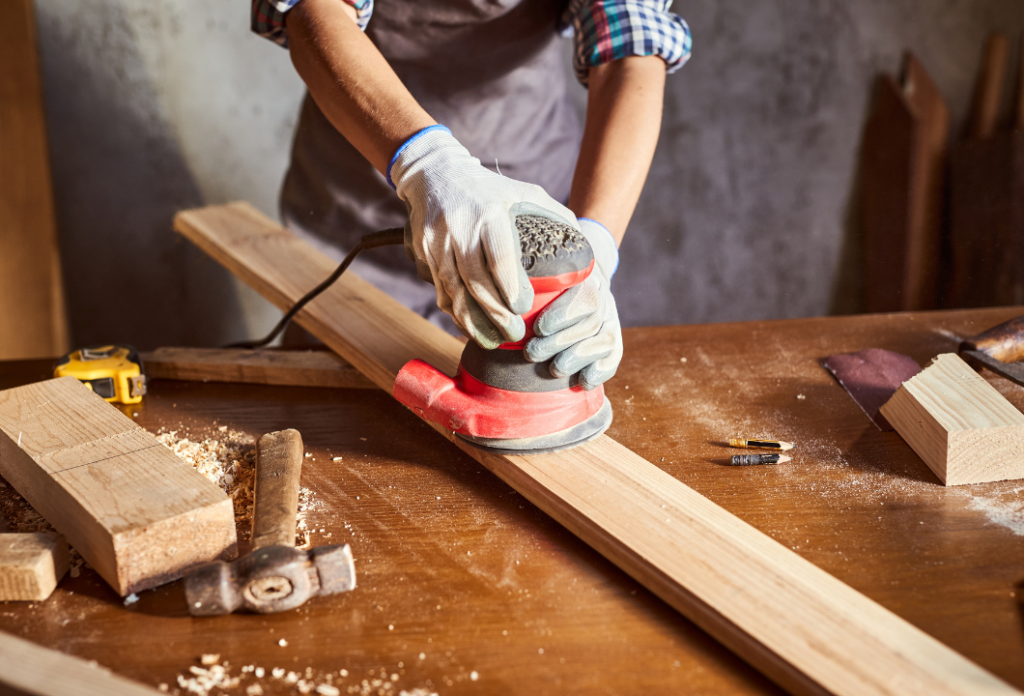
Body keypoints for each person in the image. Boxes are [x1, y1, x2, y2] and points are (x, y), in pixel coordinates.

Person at [251, 0, 690, 390]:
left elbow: (630, 45)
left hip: (526, 177)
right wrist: (429, 165)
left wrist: (595, 243)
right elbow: (314, 8)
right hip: (355, 193)